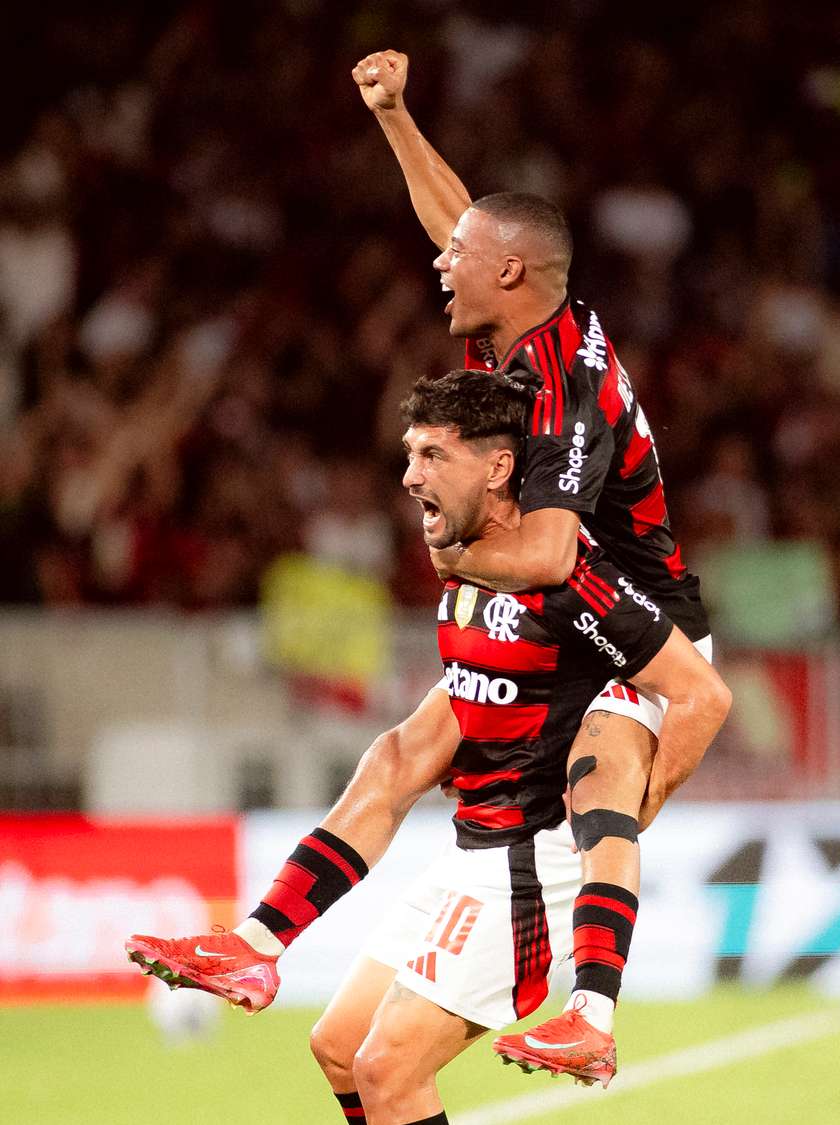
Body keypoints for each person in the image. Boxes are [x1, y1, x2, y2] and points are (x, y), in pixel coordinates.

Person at [124, 46, 724, 1089]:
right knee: (403, 757)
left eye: (462, 258)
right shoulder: (518, 329)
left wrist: (449, 538)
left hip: (622, 619)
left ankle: (592, 1008)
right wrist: (394, 115)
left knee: (599, 785)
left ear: (512, 276)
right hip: (546, 610)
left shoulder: (563, 390)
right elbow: (464, 224)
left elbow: (547, 551)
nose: (440, 261)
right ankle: (260, 945)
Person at [130, 372, 728, 1123]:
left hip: (528, 866)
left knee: (386, 1067)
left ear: (498, 468)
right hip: (471, 851)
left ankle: (592, 1012)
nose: (410, 475)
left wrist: (634, 812)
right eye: (410, 454)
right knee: (340, 1046)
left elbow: (703, 693)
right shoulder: (464, 565)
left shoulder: (570, 577)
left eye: (432, 455)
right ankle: (253, 943)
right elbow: (436, 737)